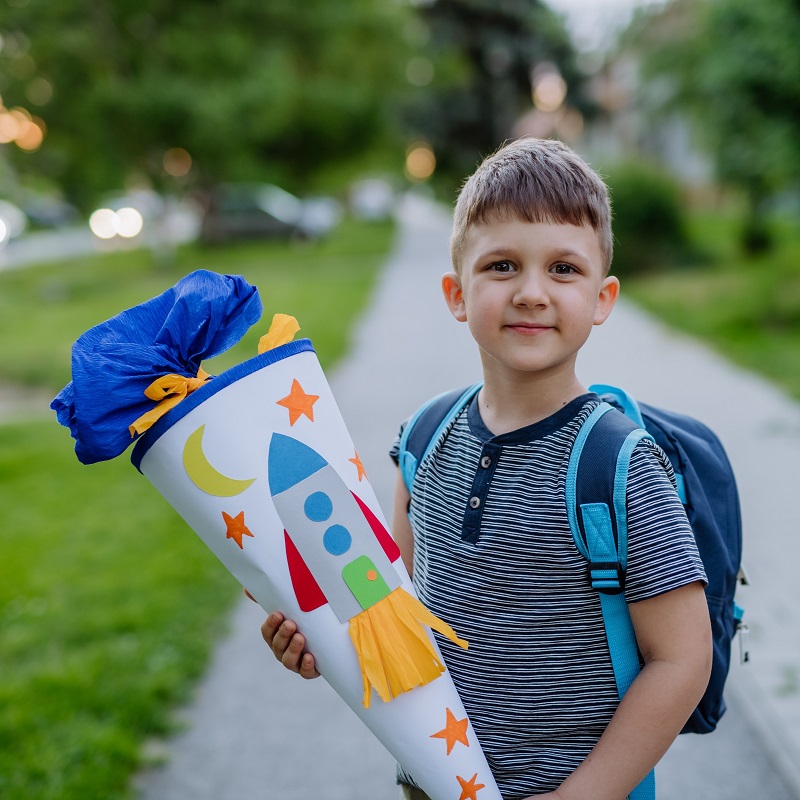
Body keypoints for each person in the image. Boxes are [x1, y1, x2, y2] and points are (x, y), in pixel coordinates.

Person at [261, 137, 712, 800]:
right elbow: (391, 608)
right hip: (437, 782)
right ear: (457, 293)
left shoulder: (617, 465)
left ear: (604, 298)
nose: (532, 293)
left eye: (563, 269)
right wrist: (317, 645)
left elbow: (682, 659)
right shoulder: (423, 439)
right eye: (502, 266)